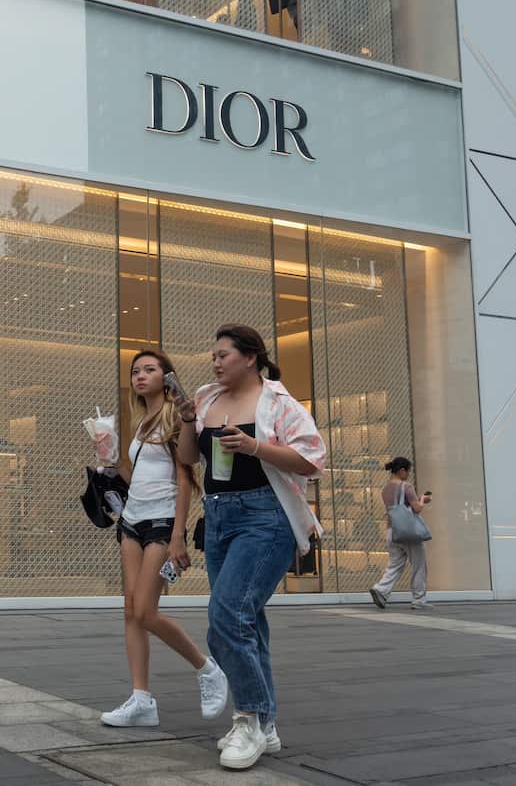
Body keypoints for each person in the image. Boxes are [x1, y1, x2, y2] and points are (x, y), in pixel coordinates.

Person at [174, 325, 326, 771]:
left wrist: (255, 446)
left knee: (227, 616)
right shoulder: (205, 397)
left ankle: (249, 720)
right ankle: (267, 722)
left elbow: (312, 459)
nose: (215, 362)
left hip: (266, 516)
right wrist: (186, 421)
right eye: (213, 356)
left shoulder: (279, 402)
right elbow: (188, 458)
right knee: (246, 620)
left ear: (250, 358)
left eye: (223, 355)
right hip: (219, 515)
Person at [95, 350, 229, 729]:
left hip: (162, 521)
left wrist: (178, 535)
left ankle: (207, 669)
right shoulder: (140, 422)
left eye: (149, 370)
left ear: (166, 375)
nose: (140, 376)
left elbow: (186, 476)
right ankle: (141, 700)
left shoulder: (175, 415)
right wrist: (108, 455)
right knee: (129, 611)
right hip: (131, 519)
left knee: (146, 612)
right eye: (135, 371)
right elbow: (133, 476)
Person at [369, 457, 433, 610]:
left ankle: (381, 589)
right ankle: (419, 599)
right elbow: (417, 508)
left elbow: (399, 507)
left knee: (395, 565)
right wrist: (423, 499)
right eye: (408, 471)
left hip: (392, 531)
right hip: (408, 532)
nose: (408, 474)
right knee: (419, 565)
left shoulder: (385, 489)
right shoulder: (407, 486)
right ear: (402, 470)